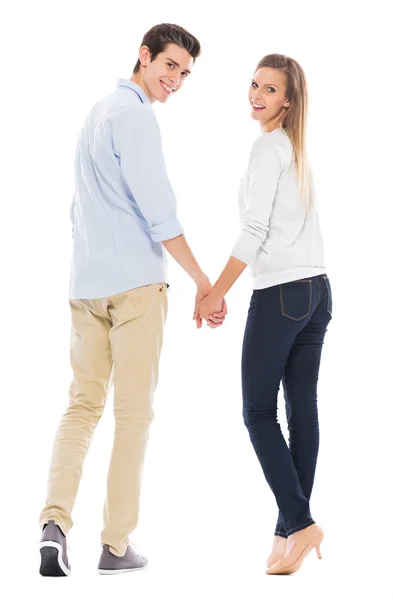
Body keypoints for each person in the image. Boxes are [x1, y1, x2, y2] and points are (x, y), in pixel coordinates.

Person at [38, 23, 226, 577]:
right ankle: (116, 545)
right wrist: (202, 280)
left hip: (86, 284)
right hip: (137, 287)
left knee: (81, 405)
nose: (176, 80)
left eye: (186, 73)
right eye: (170, 66)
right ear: (143, 57)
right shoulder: (137, 116)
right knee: (132, 414)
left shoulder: (96, 114)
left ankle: (54, 524)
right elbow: (160, 214)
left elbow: (76, 209)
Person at [195, 53, 331, 575]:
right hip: (318, 291)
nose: (257, 95)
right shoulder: (295, 150)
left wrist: (214, 293)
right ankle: (289, 534)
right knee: (302, 412)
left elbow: (253, 233)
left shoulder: (267, 149)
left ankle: (299, 521)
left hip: (280, 293)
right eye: (254, 85)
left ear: (288, 100)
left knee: (257, 413)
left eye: (270, 90)